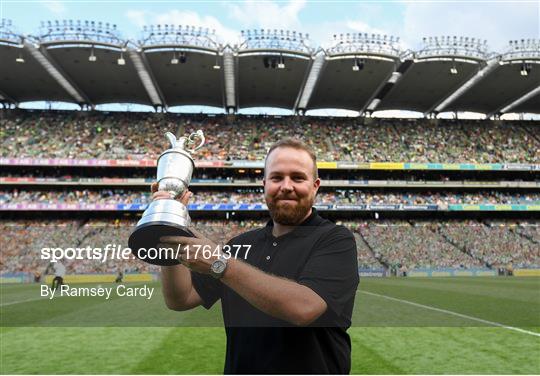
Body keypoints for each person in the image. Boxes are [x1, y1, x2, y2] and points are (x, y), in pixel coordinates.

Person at [156, 138, 359, 374]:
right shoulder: (239, 245)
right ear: (264, 185)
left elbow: (304, 308)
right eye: (276, 177)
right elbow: (180, 299)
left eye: (297, 177)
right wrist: (171, 225)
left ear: (315, 186)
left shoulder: (335, 239)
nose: (286, 186)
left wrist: (220, 264)